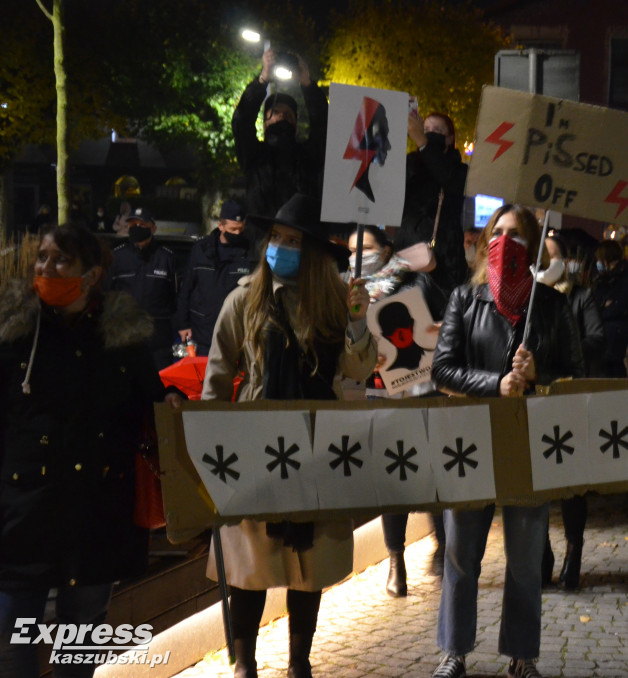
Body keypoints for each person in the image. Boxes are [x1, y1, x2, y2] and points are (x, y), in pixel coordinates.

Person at [202, 194, 376, 678]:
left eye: (293, 241)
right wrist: (210, 447)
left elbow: (359, 369)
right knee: (249, 563)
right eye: (276, 238)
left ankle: (300, 661)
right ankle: (244, 662)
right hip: (254, 446)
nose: (280, 247)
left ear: (314, 252)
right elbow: (217, 377)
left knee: (308, 563)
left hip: (316, 445)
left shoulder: (335, 302)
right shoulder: (244, 299)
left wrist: (358, 322)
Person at [0, 224, 182, 676]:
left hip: (95, 515)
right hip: (23, 514)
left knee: (79, 642)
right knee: (9, 640)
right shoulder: (15, 331)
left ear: (92, 274)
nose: (46, 268)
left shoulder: (120, 334)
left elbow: (152, 400)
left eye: (61, 260)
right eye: (42, 257)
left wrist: (173, 401)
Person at [430, 204, 584, 678]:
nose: (505, 242)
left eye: (517, 235)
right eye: (498, 233)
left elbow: (578, 376)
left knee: (524, 554)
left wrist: (541, 377)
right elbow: (442, 369)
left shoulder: (553, 306)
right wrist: (494, 384)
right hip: (471, 443)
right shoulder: (464, 298)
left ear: (535, 245)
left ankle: (522, 653)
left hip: (529, 445)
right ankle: (454, 651)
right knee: (460, 553)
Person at [346, 225, 449, 598]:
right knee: (394, 477)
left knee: (436, 474)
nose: (358, 256)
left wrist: (434, 334)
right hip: (380, 398)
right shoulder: (346, 293)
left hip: (425, 392)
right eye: (352, 250)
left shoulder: (415, 283)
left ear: (386, 250)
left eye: (367, 248)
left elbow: (446, 321)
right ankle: (396, 560)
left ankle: (443, 547)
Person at [536, 234, 606, 591]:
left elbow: (597, 337)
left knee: (570, 483)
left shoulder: (580, 297)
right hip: (535, 400)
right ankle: (543, 552)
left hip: (571, 398)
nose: (546, 263)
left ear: (564, 261)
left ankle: (573, 552)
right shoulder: (530, 301)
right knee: (539, 481)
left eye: (552, 257)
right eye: (541, 256)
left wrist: (568, 344)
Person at [233, 49, 328, 217]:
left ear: (296, 126)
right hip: (262, 239)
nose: (282, 116)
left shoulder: (307, 157)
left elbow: (323, 125)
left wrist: (307, 83)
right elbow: (242, 120)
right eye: (276, 113)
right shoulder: (254, 156)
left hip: (300, 238)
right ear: (264, 125)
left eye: (288, 114)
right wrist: (263, 78)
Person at [395, 110, 469, 295]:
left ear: (450, 138)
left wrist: (424, 144)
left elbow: (448, 178)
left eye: (437, 129)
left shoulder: (459, 170)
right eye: (425, 128)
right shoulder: (410, 164)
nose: (428, 132)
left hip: (443, 261)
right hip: (406, 255)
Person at [176, 200, 256, 356]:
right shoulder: (201, 250)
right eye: (233, 229)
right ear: (221, 226)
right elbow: (187, 289)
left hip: (235, 333)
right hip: (202, 333)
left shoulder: (249, 252)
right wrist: (183, 324)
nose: (238, 234)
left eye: (241, 229)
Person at [109, 207, 178, 370]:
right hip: (126, 335)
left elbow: (175, 296)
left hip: (158, 338)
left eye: (141, 225)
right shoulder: (118, 257)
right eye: (132, 225)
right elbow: (108, 293)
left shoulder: (166, 257)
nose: (136, 228)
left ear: (153, 228)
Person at [590, 239, 628, 378]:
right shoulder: (602, 279)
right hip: (604, 342)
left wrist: (604, 308)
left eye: (600, 259)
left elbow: (619, 307)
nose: (598, 264)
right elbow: (595, 304)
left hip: (619, 342)